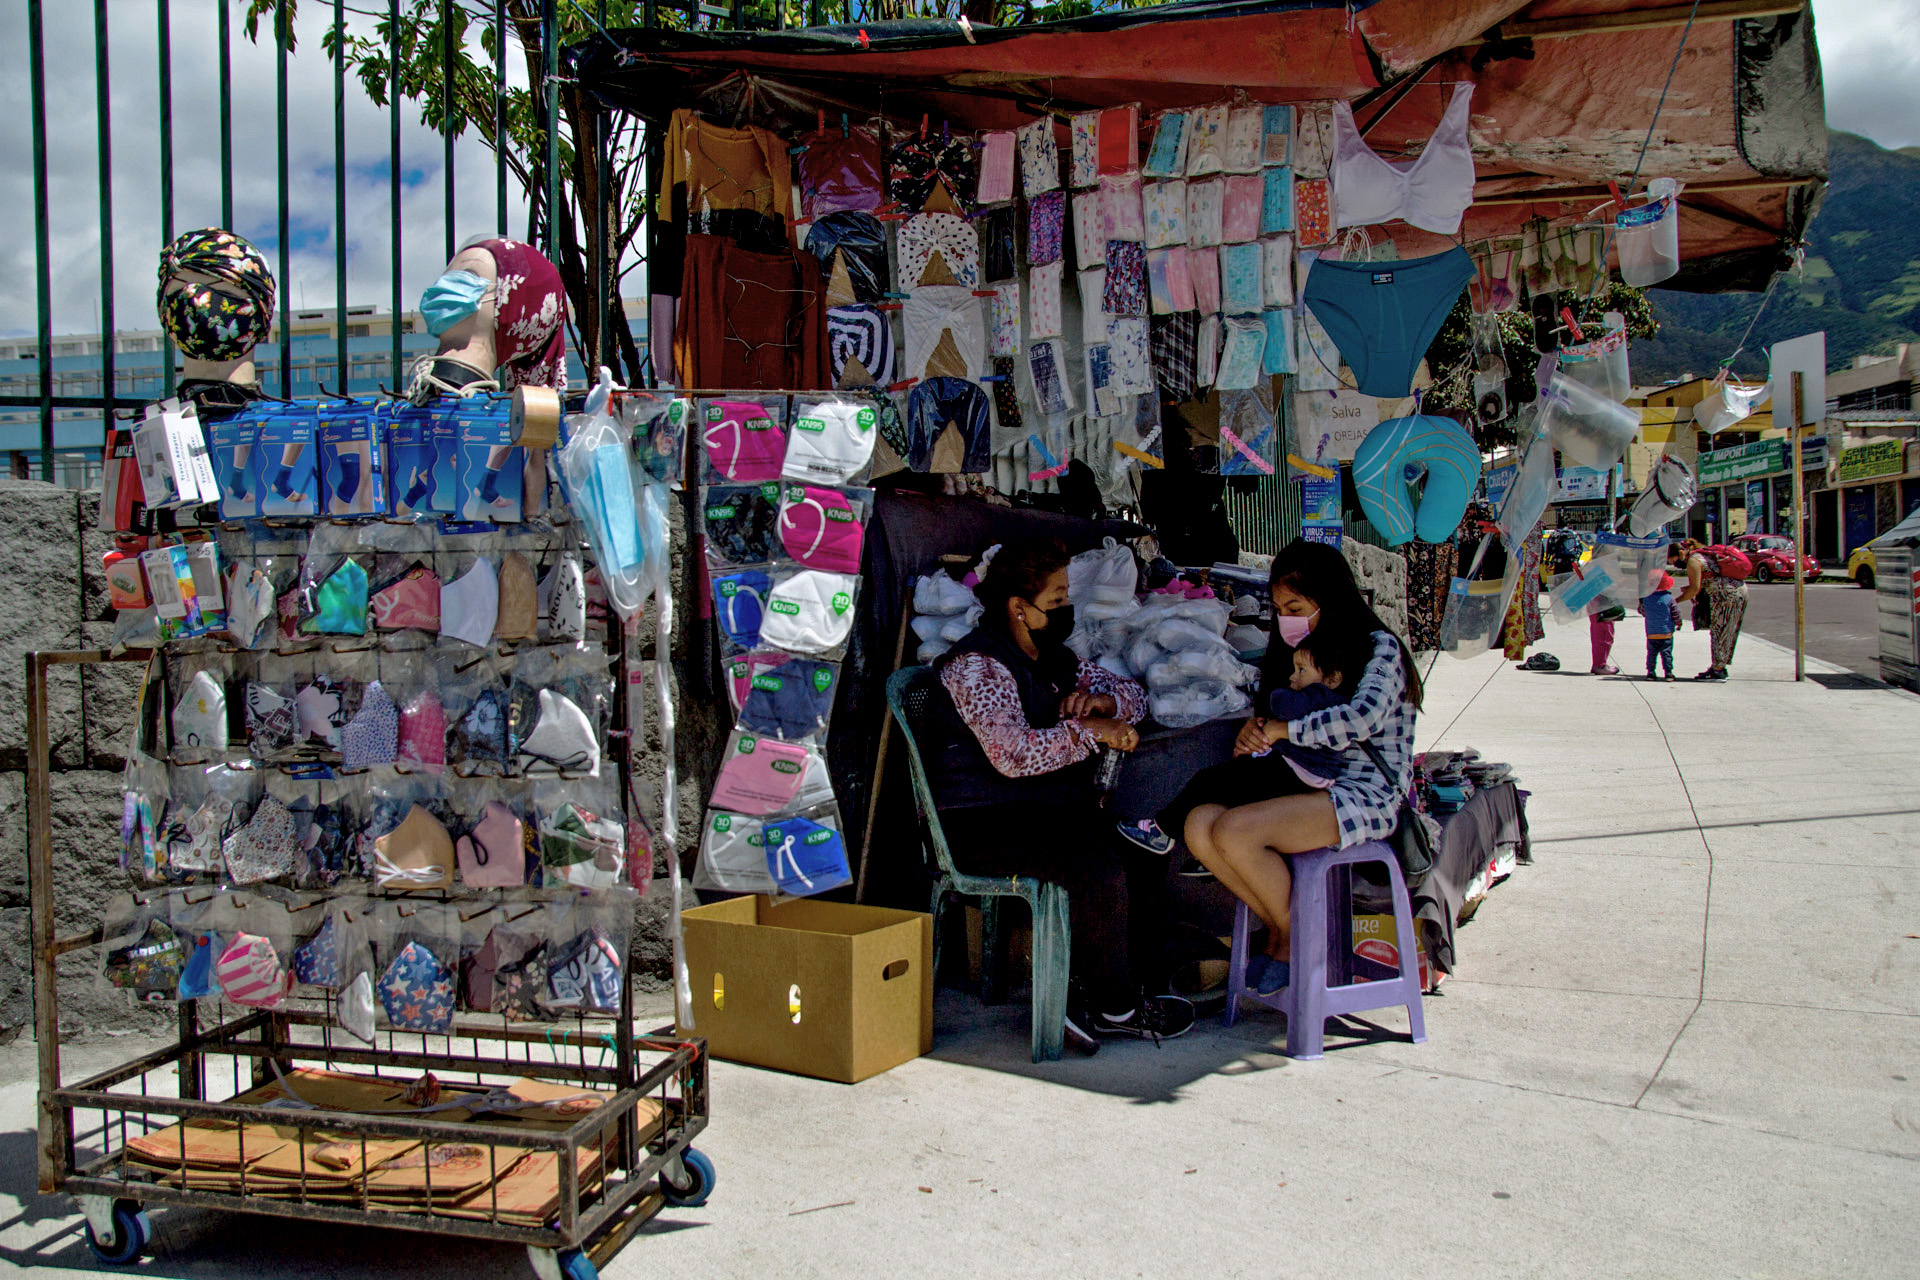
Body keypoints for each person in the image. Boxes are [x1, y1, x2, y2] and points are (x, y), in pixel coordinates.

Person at [926, 537, 1195, 1047]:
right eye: (1056, 601)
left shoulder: (1053, 658)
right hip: (978, 822)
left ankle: (1119, 987)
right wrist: (1088, 732)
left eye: (1067, 597)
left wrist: (1099, 701)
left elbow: (1135, 698)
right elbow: (1011, 754)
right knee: (1094, 867)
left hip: (1038, 812)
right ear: (1018, 608)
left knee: (1142, 850)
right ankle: (1114, 1008)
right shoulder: (978, 666)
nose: (1066, 609)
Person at [1155, 539, 1423, 996]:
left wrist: (1282, 731)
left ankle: (1290, 939)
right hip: (1308, 784)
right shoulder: (1298, 655)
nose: (1286, 618)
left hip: (1363, 794)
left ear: (1330, 600)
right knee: (1200, 825)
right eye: (1279, 608)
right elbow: (1281, 723)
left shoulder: (1379, 650)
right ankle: (1287, 928)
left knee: (1234, 831)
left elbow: (1359, 719)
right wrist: (1258, 733)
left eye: (1295, 606)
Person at [1671, 539, 1745, 681]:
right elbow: (1710, 578)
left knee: (1719, 632)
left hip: (1725, 595)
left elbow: (1694, 589)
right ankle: (1718, 666)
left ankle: (1718, 671)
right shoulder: (1703, 555)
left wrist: (1674, 602)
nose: (1674, 564)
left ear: (1681, 552)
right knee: (1726, 631)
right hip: (1736, 591)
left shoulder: (1693, 560)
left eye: (1673, 560)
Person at [1640, 572, 1677, 680]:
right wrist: (1678, 622)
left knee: (1651, 654)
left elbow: (1642, 611)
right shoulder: (1669, 598)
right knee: (1666, 653)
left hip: (1651, 632)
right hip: (1666, 632)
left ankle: (1651, 672)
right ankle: (1668, 673)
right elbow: (1675, 613)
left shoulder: (1646, 599)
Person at [1589, 607, 1621, 676]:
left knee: (1599, 633)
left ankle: (1598, 664)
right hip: (1602, 605)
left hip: (1597, 605)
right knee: (1604, 634)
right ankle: (1600, 665)